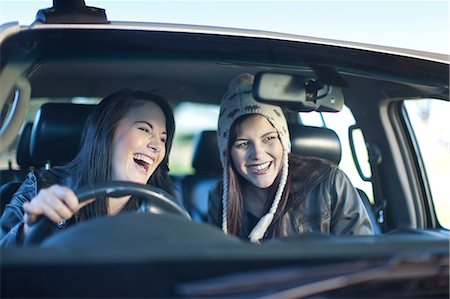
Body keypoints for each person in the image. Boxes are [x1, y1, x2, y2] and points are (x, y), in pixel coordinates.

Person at [208, 73, 374, 243]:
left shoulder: (329, 182)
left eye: (269, 138)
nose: (257, 154)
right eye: (243, 144)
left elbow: (364, 257)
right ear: (227, 153)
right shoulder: (220, 196)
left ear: (283, 141)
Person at [0, 89, 176, 246]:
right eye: (144, 129)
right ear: (106, 132)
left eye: (163, 138)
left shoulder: (162, 206)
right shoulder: (41, 188)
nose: (157, 146)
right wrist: (28, 230)